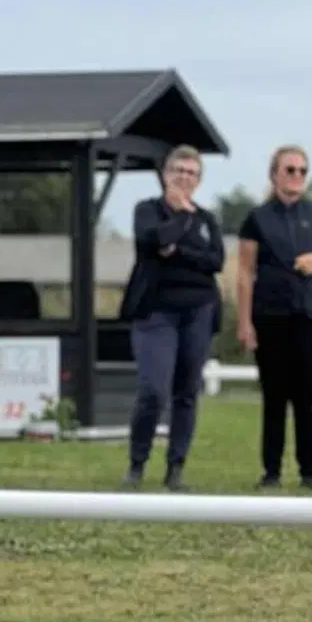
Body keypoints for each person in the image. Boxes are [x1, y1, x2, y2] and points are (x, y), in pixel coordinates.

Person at [119, 145, 224, 491]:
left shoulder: (208, 219)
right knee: (153, 391)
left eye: (191, 173)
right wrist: (179, 219)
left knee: (187, 392)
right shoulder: (147, 210)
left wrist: (177, 250)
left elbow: (215, 261)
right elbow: (153, 241)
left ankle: (175, 468)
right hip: (155, 312)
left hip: (199, 310)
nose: (184, 177)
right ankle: (137, 463)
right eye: (178, 170)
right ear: (165, 174)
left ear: (199, 179)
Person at [236, 145, 312, 489]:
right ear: (274, 174)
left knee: (307, 398)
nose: (296, 176)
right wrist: (245, 323)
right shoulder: (256, 219)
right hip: (271, 316)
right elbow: (245, 272)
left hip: (309, 316)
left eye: (302, 170)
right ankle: (272, 472)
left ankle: (310, 472)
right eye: (290, 169)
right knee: (274, 397)